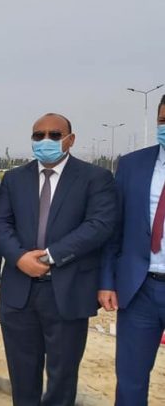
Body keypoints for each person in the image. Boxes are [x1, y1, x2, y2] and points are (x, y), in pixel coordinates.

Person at [0, 113, 117, 406]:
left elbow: (99, 225)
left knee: (62, 378)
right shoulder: (15, 179)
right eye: (39, 135)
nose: (45, 140)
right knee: (22, 376)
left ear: (70, 140)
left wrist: (51, 256)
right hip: (20, 292)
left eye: (54, 135)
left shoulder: (95, 178)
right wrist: (19, 257)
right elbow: (0, 223)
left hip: (67, 291)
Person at [101, 95, 165, 405]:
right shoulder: (132, 165)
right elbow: (114, 230)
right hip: (140, 290)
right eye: (163, 120)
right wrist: (107, 281)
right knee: (130, 382)